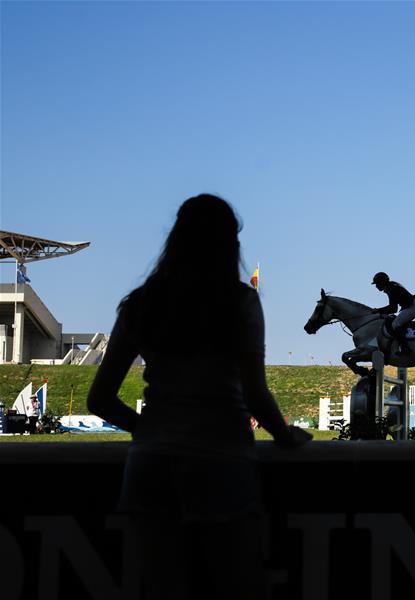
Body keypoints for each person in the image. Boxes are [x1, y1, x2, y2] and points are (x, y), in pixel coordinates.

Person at [87, 194, 310, 600]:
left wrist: (149, 429)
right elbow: (255, 394)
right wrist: (284, 435)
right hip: (221, 459)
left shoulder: (140, 303)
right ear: (230, 246)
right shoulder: (240, 301)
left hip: (149, 465)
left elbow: (99, 399)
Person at [371, 271, 415, 355]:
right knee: (395, 321)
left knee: (395, 324)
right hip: (411, 306)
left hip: (412, 307)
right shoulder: (391, 286)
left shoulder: (391, 288)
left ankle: (405, 348)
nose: (376, 286)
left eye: (377, 284)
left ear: (382, 282)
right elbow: (393, 308)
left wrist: (378, 310)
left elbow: (393, 308)